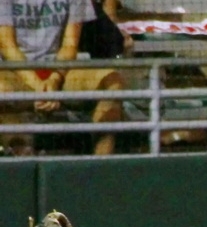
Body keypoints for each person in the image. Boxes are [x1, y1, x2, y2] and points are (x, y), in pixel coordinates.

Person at [0, 0, 125, 155]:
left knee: (111, 80)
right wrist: (38, 85)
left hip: (59, 69)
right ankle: (20, 156)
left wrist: (55, 79)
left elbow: (70, 45)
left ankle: (101, 166)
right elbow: (7, 46)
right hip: (15, 71)